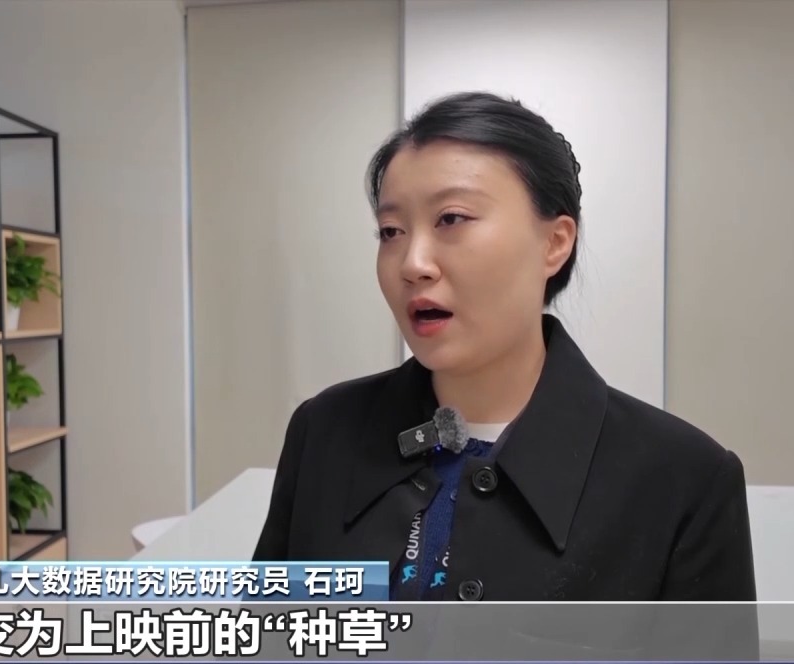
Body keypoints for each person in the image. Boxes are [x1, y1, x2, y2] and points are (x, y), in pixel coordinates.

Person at [252, 92, 757, 604]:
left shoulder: (683, 480)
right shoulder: (324, 431)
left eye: (451, 219)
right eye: (391, 231)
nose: (413, 263)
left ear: (555, 242)